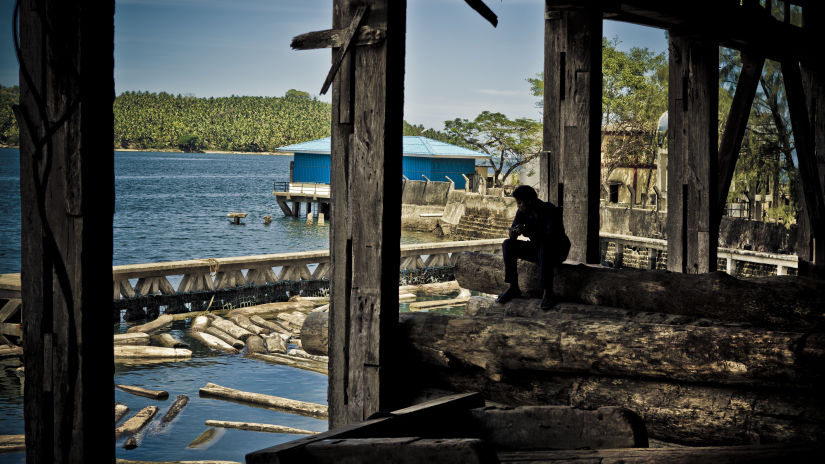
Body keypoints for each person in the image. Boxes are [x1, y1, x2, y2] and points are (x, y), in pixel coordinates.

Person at [495, 185, 570, 310]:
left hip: (557, 251)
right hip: (538, 250)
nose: (518, 206)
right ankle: (513, 287)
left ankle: (548, 292)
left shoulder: (549, 210)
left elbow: (550, 238)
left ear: (529, 201)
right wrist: (514, 232)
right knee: (507, 244)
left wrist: (528, 231)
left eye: (520, 203)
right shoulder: (522, 213)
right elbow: (512, 236)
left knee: (545, 245)